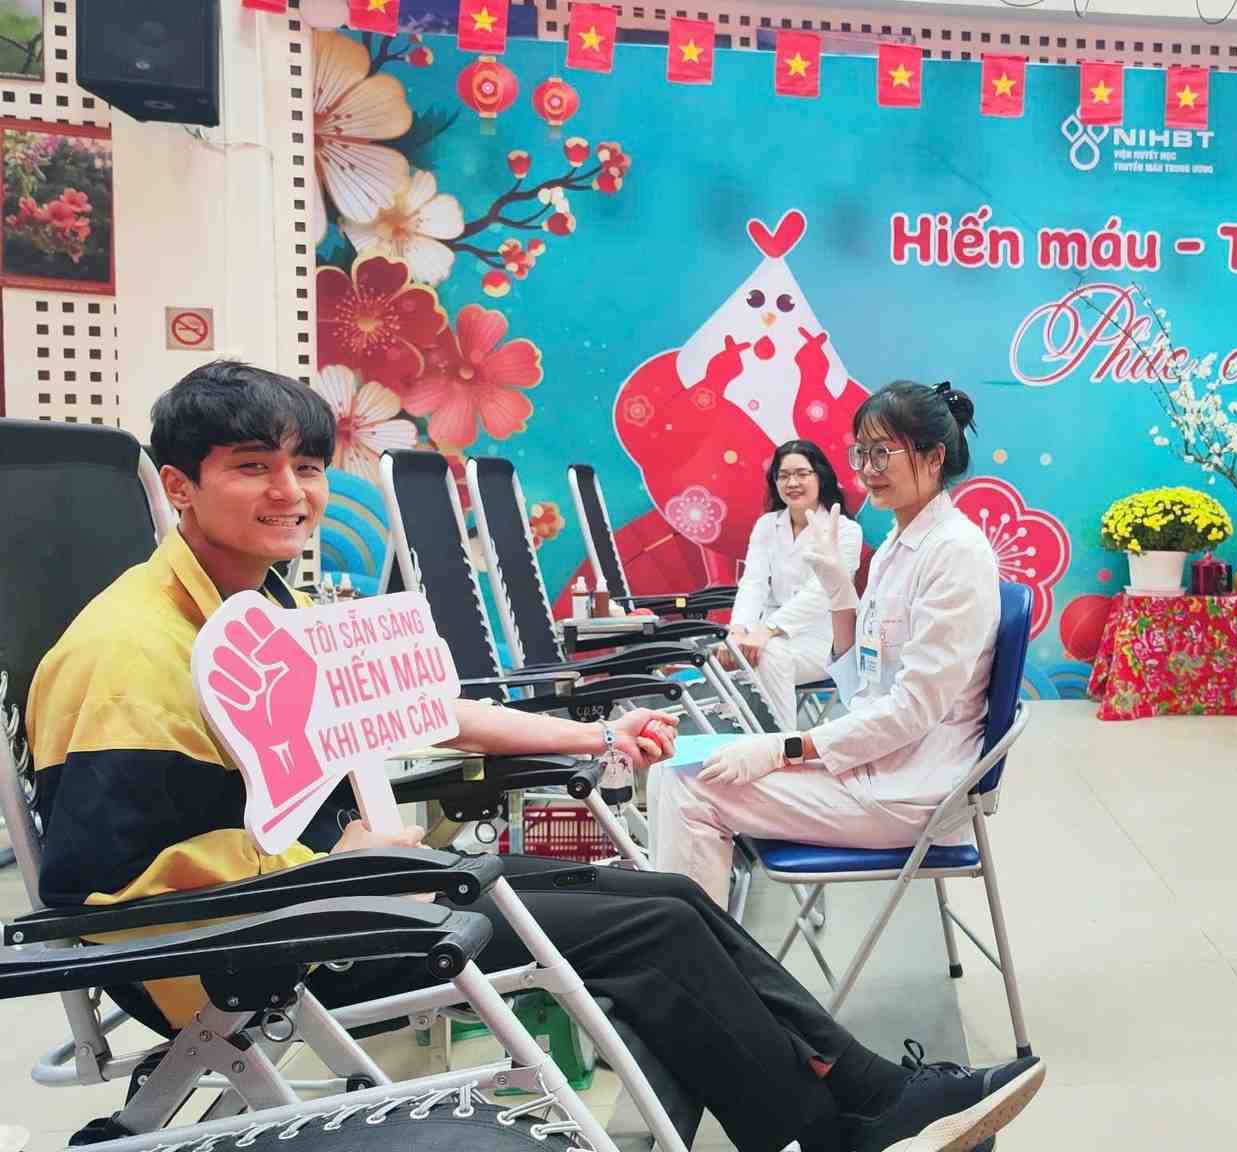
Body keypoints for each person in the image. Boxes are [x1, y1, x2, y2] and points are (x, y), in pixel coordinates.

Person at [26, 362, 1042, 1152]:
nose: (291, 492)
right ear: (177, 486)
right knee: (650, 934)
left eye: (305, 466)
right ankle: (836, 1127)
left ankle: (867, 1100)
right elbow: (111, 900)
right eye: (253, 467)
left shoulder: (256, 608)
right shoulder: (124, 653)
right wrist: (342, 869)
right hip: (282, 941)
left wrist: (596, 736)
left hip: (360, 889)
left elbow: (430, 709)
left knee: (670, 901)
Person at [657, 381, 1000, 906]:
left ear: (933, 458)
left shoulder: (955, 554)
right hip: (879, 759)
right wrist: (842, 593)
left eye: (882, 452)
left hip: (908, 787)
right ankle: (695, 957)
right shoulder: (897, 546)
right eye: (861, 452)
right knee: (670, 770)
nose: (866, 468)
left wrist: (786, 746)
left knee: (689, 787)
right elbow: (863, 679)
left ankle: (694, 975)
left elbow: (912, 710)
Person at [725, 440, 864, 726]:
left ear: (820, 477)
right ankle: (748, 742)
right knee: (733, 649)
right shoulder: (767, 524)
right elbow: (753, 583)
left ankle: (783, 747)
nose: (793, 482)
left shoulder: (847, 531)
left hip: (825, 640)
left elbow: (823, 593)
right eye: (784, 475)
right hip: (766, 635)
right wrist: (738, 629)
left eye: (802, 473)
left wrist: (769, 629)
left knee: (770, 654)